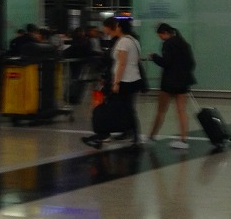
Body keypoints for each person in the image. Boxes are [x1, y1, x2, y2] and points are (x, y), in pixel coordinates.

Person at [82, 17, 143, 149]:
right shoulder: (134, 41)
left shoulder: (123, 42)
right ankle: (132, 135)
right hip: (133, 79)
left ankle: (103, 135)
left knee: (112, 107)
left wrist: (116, 82)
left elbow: (121, 63)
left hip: (124, 81)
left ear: (120, 28)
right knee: (126, 108)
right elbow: (136, 60)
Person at [147, 23, 196, 149]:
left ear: (165, 33)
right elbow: (191, 63)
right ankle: (183, 139)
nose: (160, 38)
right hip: (183, 82)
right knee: (181, 111)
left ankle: (152, 136)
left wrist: (154, 57)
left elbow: (166, 62)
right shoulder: (184, 43)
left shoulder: (167, 44)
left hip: (169, 82)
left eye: (160, 36)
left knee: (161, 110)